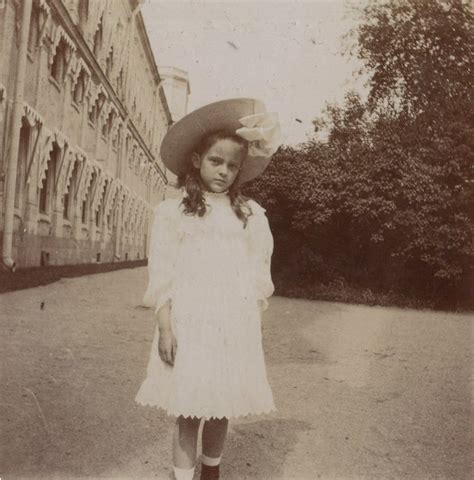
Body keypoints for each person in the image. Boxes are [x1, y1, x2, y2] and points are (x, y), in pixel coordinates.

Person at [135, 98, 281, 480]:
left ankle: (211, 473)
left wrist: (249, 317)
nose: (224, 171)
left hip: (232, 324)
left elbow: (257, 272)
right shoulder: (173, 212)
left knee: (221, 405)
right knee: (189, 408)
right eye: (216, 161)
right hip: (189, 322)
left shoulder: (249, 215)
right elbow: (163, 272)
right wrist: (166, 325)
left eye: (233, 165)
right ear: (197, 159)